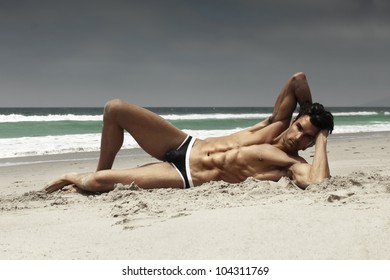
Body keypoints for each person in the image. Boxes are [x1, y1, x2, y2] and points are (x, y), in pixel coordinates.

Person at [44, 72, 334, 194]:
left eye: (307, 136)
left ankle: (91, 180)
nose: (298, 136)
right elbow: (298, 79)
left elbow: (318, 182)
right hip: (185, 143)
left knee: (94, 182)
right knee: (115, 108)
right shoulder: (277, 123)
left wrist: (322, 137)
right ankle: (101, 174)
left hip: (186, 176)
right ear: (295, 119)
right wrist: (311, 113)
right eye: (300, 127)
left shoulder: (292, 163)